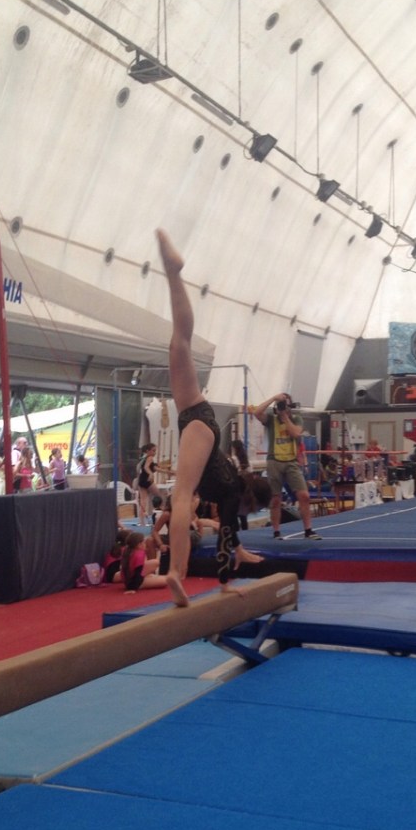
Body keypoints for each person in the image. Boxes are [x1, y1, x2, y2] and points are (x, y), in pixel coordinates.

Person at [155, 229, 272, 606]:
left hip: (195, 416)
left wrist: (237, 555)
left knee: (179, 342)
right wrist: (225, 580)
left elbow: (228, 534)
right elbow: (226, 532)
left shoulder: (234, 488)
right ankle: (176, 572)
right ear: (250, 503)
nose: (247, 514)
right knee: (181, 496)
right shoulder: (232, 493)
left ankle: (173, 274)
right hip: (198, 419)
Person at [253, 392, 321, 542]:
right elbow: (257, 412)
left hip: (291, 461)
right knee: (276, 499)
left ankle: (308, 530)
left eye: (285, 405)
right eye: (281, 405)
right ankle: (276, 532)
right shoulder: (271, 420)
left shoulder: (296, 419)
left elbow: (296, 433)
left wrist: (285, 418)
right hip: (274, 461)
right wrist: (273, 398)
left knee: (304, 496)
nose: (283, 408)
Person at [136, 443, 157, 522]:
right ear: (148, 451)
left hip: (142, 480)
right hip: (146, 480)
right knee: (159, 496)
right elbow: (146, 467)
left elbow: (142, 468)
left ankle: (141, 521)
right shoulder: (150, 458)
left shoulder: (143, 458)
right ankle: (158, 515)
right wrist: (151, 474)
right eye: (153, 451)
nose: (155, 453)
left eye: (155, 451)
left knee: (143, 501)